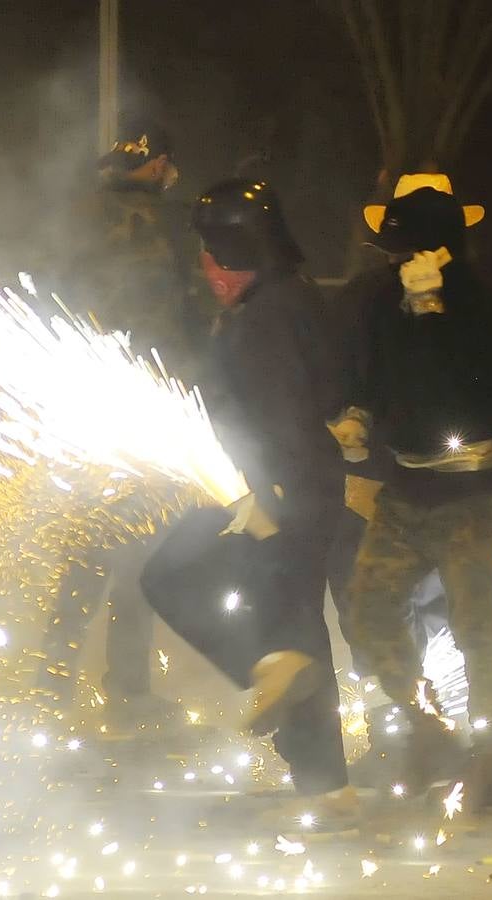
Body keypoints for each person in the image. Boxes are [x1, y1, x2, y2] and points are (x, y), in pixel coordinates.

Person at [140, 179, 357, 826]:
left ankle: (269, 673)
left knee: (171, 573)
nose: (206, 267)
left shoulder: (264, 320)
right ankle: (324, 782)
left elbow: (283, 412)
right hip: (301, 485)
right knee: (295, 624)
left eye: (218, 254)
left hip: (286, 488)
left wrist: (273, 494)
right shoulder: (292, 298)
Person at [338, 173, 492, 809]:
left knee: (475, 625)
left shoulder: (483, 303)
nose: (392, 261)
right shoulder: (380, 301)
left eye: (402, 250)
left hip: (470, 492)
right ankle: (427, 727)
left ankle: (491, 754)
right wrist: (358, 416)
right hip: (406, 487)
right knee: (368, 604)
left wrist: (438, 315)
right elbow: (370, 370)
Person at [36, 119, 206, 731]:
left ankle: (49, 685)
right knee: (137, 551)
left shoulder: (78, 217)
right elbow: (196, 311)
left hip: (84, 404)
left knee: (84, 548)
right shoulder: (170, 227)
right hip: (152, 407)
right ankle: (129, 691)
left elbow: (45, 297)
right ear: (159, 165)